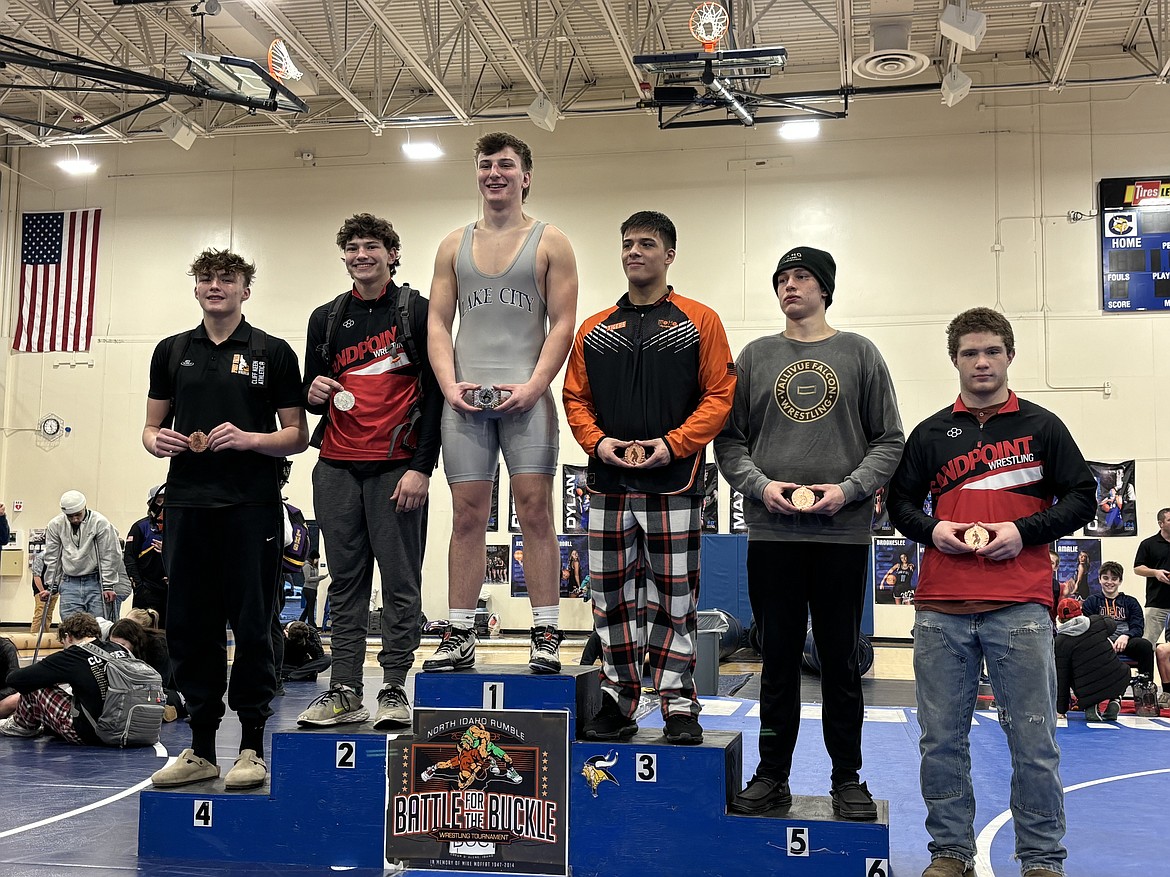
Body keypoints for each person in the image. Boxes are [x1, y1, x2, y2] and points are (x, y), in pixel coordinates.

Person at [887, 307, 1096, 877]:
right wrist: (932, 530)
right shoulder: (930, 434)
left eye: (992, 351)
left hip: (1021, 603)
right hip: (941, 606)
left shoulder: (1043, 426)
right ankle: (949, 854)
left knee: (1035, 743)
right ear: (954, 359)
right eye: (970, 353)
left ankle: (1042, 860)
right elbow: (899, 505)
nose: (982, 362)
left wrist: (1021, 533)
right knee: (940, 742)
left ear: (1010, 355)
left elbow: (1082, 497)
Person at [713, 246, 903, 819]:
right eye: (782, 279)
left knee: (842, 664)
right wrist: (757, 485)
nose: (790, 287)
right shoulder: (755, 356)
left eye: (801, 278)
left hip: (842, 537)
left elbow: (889, 439)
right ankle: (772, 776)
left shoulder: (859, 353)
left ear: (825, 289)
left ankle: (848, 778)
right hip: (773, 534)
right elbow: (729, 442)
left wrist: (847, 491)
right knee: (776, 665)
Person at [563, 210, 735, 744]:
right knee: (610, 595)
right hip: (609, 485)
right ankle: (617, 700)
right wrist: (598, 442)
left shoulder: (700, 320)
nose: (634, 252)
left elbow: (719, 396)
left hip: (675, 483)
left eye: (647, 244)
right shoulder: (593, 328)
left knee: (674, 596)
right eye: (627, 244)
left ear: (670, 255)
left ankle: (679, 704)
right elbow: (575, 398)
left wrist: (670, 445)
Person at [141, 248, 308, 790]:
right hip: (187, 506)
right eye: (207, 279)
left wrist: (249, 439)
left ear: (245, 290)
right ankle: (202, 748)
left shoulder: (274, 352)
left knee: (254, 624)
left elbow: (297, 435)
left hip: (252, 506)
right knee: (191, 626)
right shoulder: (171, 351)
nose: (216, 287)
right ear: (196, 289)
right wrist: (157, 441)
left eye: (227, 279)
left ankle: (253, 747)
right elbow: (149, 428)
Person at [426, 131, 579, 674]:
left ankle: (544, 631)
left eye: (506, 165)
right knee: (466, 516)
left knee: (535, 511)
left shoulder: (550, 242)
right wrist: (448, 385)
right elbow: (438, 323)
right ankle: (459, 633)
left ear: (525, 176)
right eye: (486, 165)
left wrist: (536, 386)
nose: (495, 173)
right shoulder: (452, 245)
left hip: (526, 399)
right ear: (477, 174)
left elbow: (563, 323)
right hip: (464, 399)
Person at [295, 213, 441, 732]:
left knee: (401, 582)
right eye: (353, 247)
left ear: (392, 254)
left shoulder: (417, 312)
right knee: (346, 583)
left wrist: (421, 469)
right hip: (335, 465)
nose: (362, 254)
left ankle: (396, 686)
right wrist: (310, 394)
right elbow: (312, 394)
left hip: (396, 467)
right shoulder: (326, 318)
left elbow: (439, 394)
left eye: (372, 246)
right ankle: (345, 689)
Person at [0, 611, 133, 743]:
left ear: (68, 637)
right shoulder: (117, 649)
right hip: (130, 727)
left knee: (34, 687)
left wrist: (53, 675)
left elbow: (15, 679)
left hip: (92, 733)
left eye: (63, 644)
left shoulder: (73, 655)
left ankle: (21, 726)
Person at [41, 491, 122, 621]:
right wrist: (52, 585)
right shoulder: (55, 525)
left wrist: (108, 585)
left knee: (99, 627)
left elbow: (109, 554)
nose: (75, 519)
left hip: (95, 581)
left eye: (78, 515)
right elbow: (52, 557)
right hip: (69, 582)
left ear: (84, 507)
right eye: (70, 516)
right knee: (70, 627)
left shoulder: (100, 522)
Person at [1053, 598, 1131, 721]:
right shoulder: (1098, 622)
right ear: (1080, 612)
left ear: (1060, 619)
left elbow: (1062, 678)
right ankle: (1116, 699)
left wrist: (1060, 710)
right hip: (1117, 677)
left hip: (1088, 688)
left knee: (1076, 676)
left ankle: (1091, 705)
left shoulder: (1060, 642)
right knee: (1123, 670)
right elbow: (1112, 624)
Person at [1081, 561, 1154, 677]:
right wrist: (1103, 639)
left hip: (1126, 642)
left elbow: (1138, 627)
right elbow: (1089, 627)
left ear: (1120, 581)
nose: (1109, 582)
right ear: (1099, 579)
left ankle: (1145, 687)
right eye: (1105, 578)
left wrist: (1126, 636)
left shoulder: (1131, 602)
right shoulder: (1091, 601)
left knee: (1145, 645)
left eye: (1114, 579)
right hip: (1100, 643)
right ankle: (1092, 690)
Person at [109, 617, 183, 722]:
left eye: (122, 645)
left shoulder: (159, 647)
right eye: (113, 645)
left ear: (133, 641)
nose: (117, 649)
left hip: (176, 690)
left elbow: (160, 684)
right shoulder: (127, 652)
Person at [124, 485, 168, 620]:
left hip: (171, 590)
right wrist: (139, 587)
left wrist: (167, 550)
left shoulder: (179, 529)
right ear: (151, 504)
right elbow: (130, 558)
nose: (163, 506)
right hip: (147, 590)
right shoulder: (140, 527)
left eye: (166, 501)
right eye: (159, 502)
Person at [1133, 507, 1170, 644]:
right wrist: (1155, 572)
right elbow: (1137, 568)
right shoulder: (1148, 544)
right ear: (1161, 523)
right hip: (1156, 603)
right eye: (1169, 520)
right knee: (1148, 644)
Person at [28, 551, 58, 636]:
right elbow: (36, 576)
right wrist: (42, 591)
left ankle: (45, 636)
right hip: (41, 589)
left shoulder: (58, 556)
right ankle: (33, 637)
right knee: (39, 614)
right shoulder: (41, 556)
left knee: (48, 614)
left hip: (53, 589)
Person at [300, 549, 326, 627]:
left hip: (313, 589)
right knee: (311, 608)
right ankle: (312, 624)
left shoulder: (313, 566)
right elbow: (307, 579)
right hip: (308, 589)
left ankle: (301, 621)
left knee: (308, 607)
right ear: (313, 558)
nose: (317, 561)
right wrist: (319, 578)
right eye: (316, 559)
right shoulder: (307, 565)